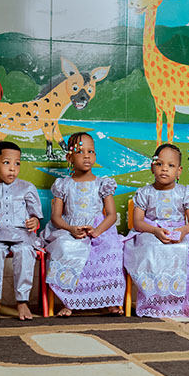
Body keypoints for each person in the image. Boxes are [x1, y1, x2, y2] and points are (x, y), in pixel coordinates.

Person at [41, 132, 125, 317]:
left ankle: (110, 300)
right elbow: (56, 217)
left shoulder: (102, 184)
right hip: (69, 229)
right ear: (69, 158)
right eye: (80, 152)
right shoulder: (63, 185)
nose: (87, 156)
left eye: (91, 151)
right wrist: (71, 229)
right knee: (66, 248)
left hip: (98, 229)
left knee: (112, 249)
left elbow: (111, 215)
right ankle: (69, 301)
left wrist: (97, 231)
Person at [123, 143, 189, 318]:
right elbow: (138, 222)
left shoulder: (185, 192)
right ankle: (156, 302)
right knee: (151, 248)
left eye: (171, 165)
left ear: (179, 171)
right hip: (151, 231)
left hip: (179, 230)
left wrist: (183, 231)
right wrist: (155, 231)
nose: (164, 169)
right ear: (152, 167)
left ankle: (185, 302)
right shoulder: (145, 193)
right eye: (159, 164)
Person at [0, 141, 43, 321]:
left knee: (25, 251)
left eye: (17, 163)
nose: (12, 168)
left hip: (22, 235)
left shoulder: (27, 188)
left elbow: (36, 217)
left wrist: (34, 221)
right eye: (6, 163)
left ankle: (22, 301)